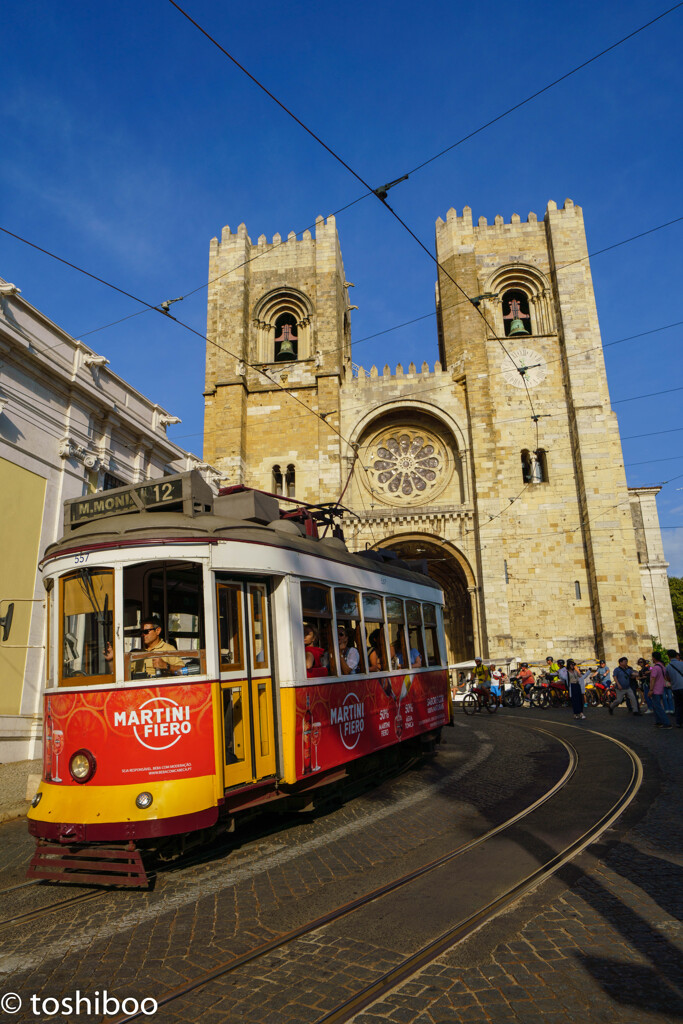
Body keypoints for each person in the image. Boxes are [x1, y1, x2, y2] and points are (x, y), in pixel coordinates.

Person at [649, 652, 673, 728]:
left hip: (655, 689)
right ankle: (658, 721)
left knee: (658, 706)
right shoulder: (662, 666)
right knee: (655, 706)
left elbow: (653, 679)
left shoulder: (656, 667)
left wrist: (651, 689)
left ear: (654, 658)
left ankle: (666, 723)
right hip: (660, 688)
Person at [665, 649, 683, 727]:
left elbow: (667, 678)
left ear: (668, 657)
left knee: (678, 705)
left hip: (675, 687)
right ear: (676, 655)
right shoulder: (681, 664)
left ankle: (678, 722)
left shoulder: (668, 666)